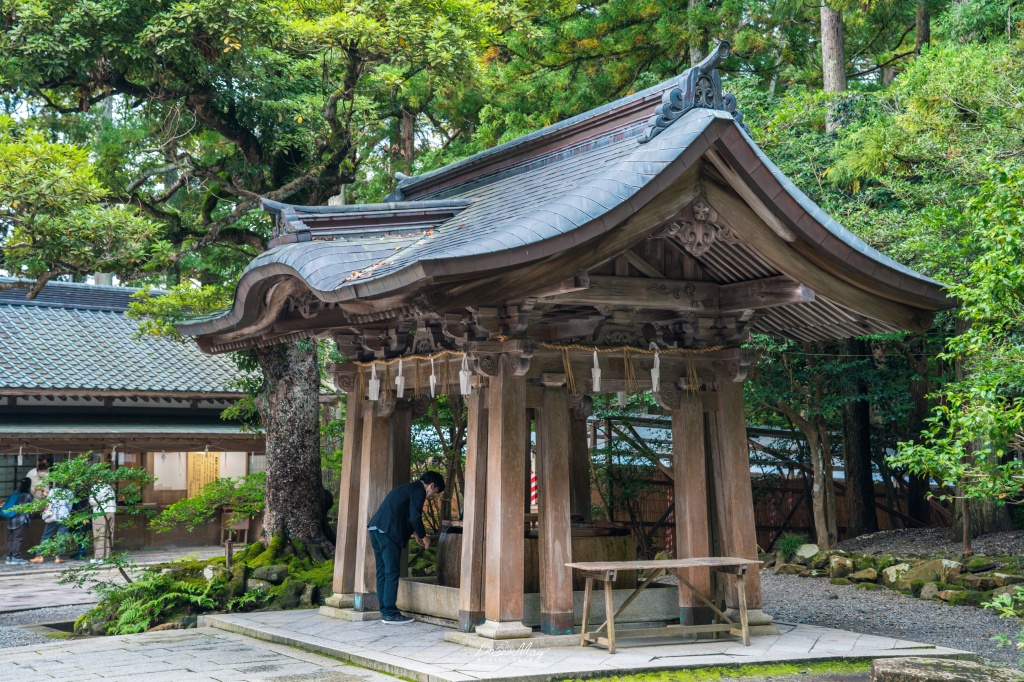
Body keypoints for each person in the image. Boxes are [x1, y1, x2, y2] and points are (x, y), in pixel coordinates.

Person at [367, 471, 444, 624]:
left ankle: (384, 610)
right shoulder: (419, 491)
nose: (433, 496)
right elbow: (415, 517)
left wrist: (415, 533)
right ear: (431, 485)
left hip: (376, 529)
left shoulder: (407, 488)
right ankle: (390, 613)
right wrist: (424, 536)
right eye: (435, 492)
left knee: (382, 571)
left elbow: (404, 514)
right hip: (388, 532)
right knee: (391, 572)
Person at [30, 484, 72, 563]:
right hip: (64, 517)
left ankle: (40, 556)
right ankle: (58, 557)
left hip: (53, 516)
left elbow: (49, 502)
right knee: (61, 537)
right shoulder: (69, 492)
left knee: (46, 536)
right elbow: (70, 506)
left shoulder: (53, 491)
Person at [5, 478, 34, 565]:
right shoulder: (28, 496)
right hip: (20, 520)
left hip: (10, 519)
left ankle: (8, 557)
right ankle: (16, 558)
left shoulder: (15, 493)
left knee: (10, 539)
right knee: (17, 539)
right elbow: (31, 510)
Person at [90, 483, 117, 561]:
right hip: (111, 512)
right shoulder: (110, 488)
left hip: (100, 512)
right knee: (109, 535)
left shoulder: (95, 487)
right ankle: (107, 556)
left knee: (99, 535)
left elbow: (92, 501)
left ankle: (99, 557)